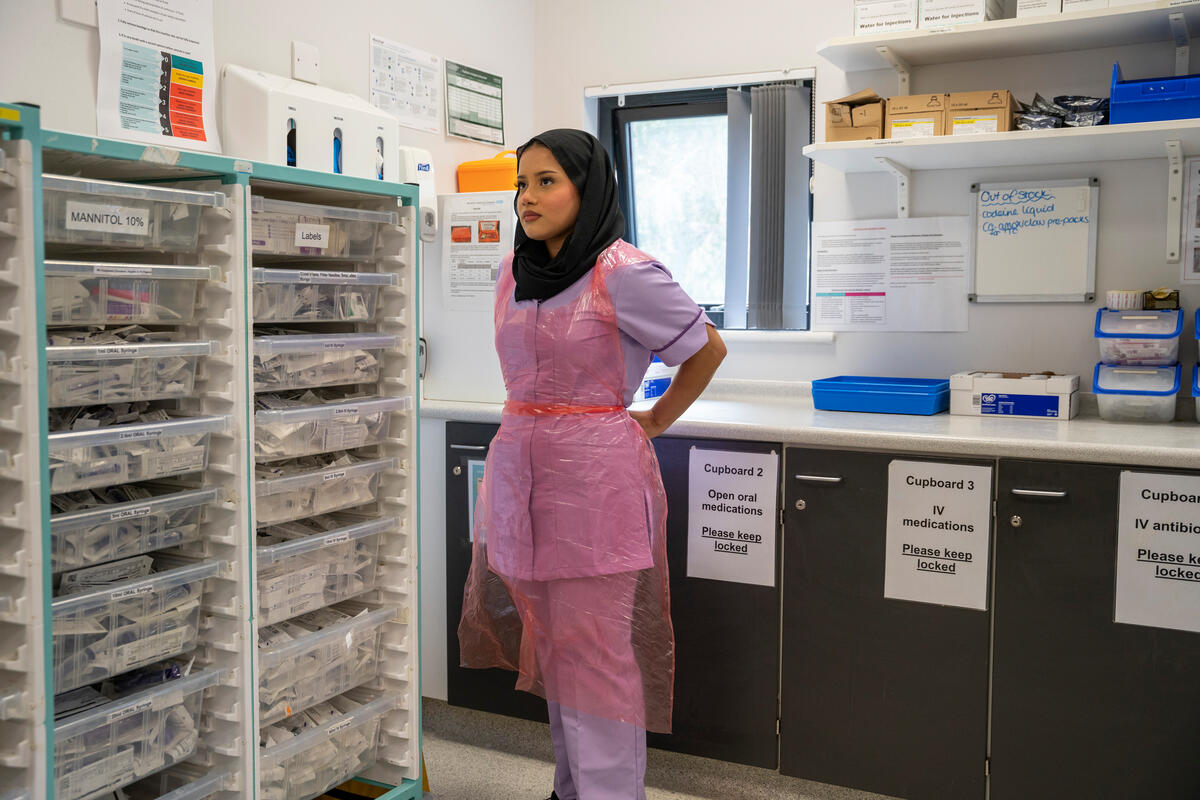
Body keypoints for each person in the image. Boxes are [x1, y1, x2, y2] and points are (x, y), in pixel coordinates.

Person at [458, 128, 726, 800]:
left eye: (546, 181)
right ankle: (572, 787)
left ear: (589, 188)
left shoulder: (624, 272)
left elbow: (706, 349)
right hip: (521, 473)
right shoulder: (511, 272)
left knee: (597, 653)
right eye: (522, 182)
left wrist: (659, 419)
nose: (527, 196)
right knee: (554, 646)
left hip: (594, 483)